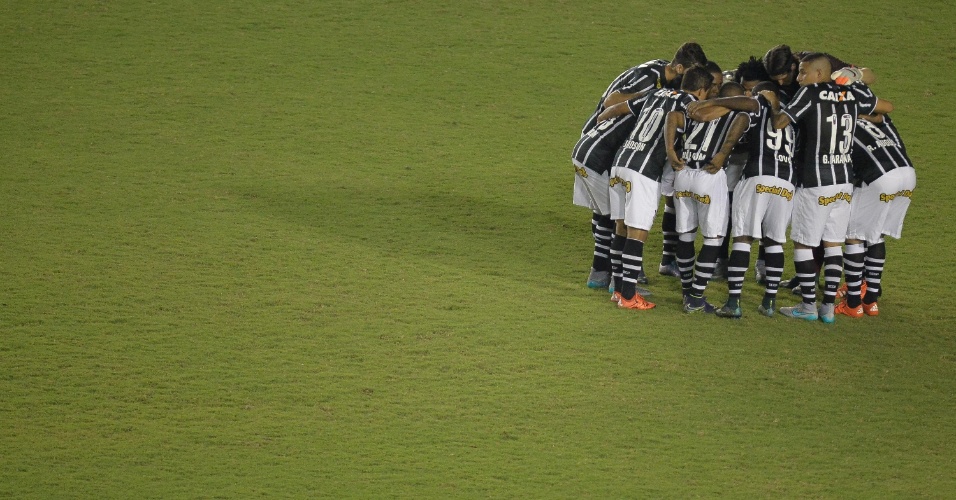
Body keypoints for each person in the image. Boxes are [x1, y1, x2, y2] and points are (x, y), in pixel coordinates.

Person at [574, 43, 708, 292]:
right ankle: (613, 278)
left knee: (611, 215)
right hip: (603, 148)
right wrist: (649, 99)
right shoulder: (651, 81)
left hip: (606, 148)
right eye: (688, 72)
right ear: (679, 68)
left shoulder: (660, 72)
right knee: (614, 218)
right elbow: (611, 102)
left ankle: (611, 274)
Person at [770, 53, 892, 323]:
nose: (799, 78)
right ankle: (827, 307)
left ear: (818, 74)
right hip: (843, 182)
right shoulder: (850, 92)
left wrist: (772, 104)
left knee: (804, 242)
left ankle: (807, 306)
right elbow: (886, 106)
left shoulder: (810, 93)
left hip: (815, 181)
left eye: (803, 73)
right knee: (834, 243)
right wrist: (856, 80)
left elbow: (780, 123)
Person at [600, 66, 715, 310]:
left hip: (620, 163)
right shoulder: (692, 104)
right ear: (702, 90)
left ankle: (619, 289)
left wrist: (599, 122)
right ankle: (630, 296)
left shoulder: (656, 94)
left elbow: (616, 109)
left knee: (621, 228)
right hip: (644, 170)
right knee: (638, 232)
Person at [687, 81, 797, 318]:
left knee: (743, 238)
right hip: (787, 183)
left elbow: (743, 120)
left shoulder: (758, 105)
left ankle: (734, 301)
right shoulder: (791, 113)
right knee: (774, 242)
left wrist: (724, 152)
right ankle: (769, 302)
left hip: (757, 177)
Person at [665, 79, 748, 312]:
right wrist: (723, 153)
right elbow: (738, 128)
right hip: (709, 176)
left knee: (685, 235)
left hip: (683, 174)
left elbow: (672, 116)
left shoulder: (698, 110)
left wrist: (671, 150)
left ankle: (686, 291)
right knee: (713, 238)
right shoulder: (738, 114)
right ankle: (696, 296)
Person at [834, 112, 916, 318]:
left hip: (881, 177)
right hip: (907, 174)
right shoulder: (867, 119)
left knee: (853, 235)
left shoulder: (836, 122)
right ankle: (870, 300)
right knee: (876, 234)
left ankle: (853, 303)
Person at [761, 45, 875, 103]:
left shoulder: (818, 64)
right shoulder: (773, 68)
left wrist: (856, 73)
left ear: (793, 67)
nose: (780, 83)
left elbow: (870, 76)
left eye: (783, 78)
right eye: (776, 80)